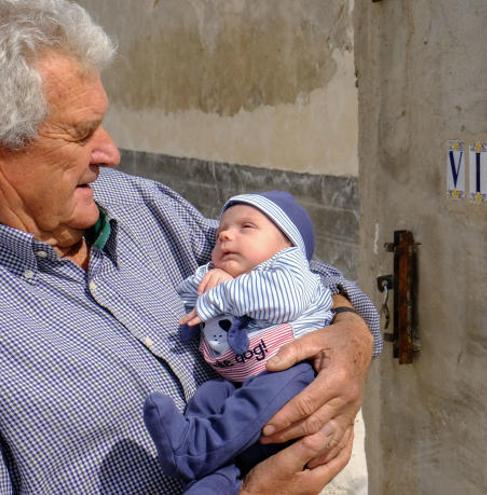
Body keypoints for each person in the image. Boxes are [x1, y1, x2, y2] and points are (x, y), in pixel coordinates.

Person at [0, 1, 380, 493]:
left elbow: (301, 270)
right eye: (80, 133)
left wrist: (349, 330)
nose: (110, 154)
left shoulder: (141, 205)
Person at [144, 191, 336, 493]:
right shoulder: (213, 275)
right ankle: (211, 484)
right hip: (239, 384)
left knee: (256, 397)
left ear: (287, 243)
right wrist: (208, 285)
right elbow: (188, 305)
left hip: (290, 374)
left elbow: (284, 301)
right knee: (207, 397)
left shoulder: (291, 269)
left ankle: (192, 451)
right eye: (222, 232)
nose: (226, 237)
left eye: (246, 227)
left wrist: (220, 294)